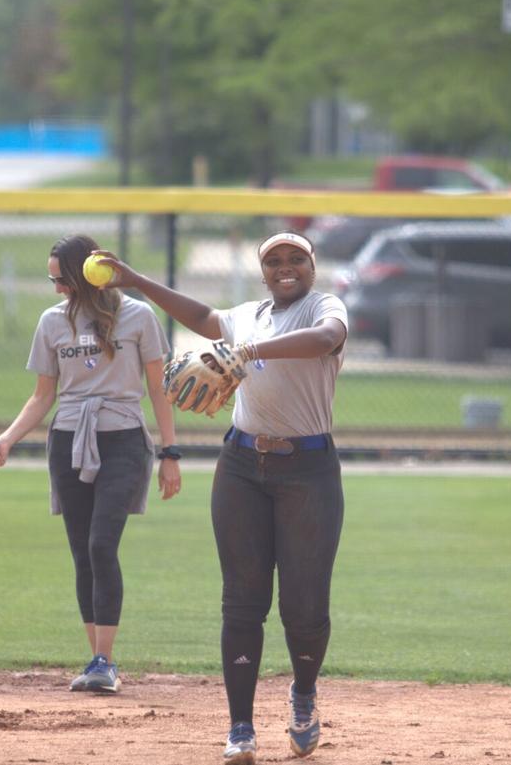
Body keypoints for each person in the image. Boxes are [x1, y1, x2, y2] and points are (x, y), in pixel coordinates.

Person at [97, 231, 347, 763]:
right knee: (242, 600)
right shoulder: (247, 315)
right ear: (262, 272)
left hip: (308, 469)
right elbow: (204, 316)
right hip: (240, 466)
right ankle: (241, 727)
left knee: (304, 607)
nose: (285, 268)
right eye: (274, 261)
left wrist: (248, 350)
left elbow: (325, 340)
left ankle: (303, 694)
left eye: (295, 259)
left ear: (312, 266)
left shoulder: (324, 306)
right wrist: (135, 280)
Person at [0, 234, 182, 695]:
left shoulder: (138, 316)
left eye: (61, 279)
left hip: (124, 441)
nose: (56, 289)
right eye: (51, 279)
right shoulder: (52, 323)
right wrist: (6, 440)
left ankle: (105, 662)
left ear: (85, 275)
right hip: (69, 440)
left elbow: (158, 391)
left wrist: (170, 453)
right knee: (81, 551)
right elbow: (42, 396)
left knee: (100, 543)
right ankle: (96, 659)